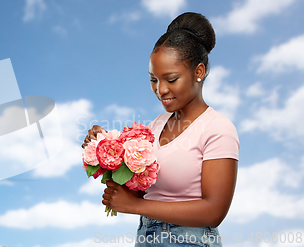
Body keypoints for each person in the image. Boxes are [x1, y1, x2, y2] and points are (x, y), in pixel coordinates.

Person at [83, 12, 239, 247]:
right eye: (153, 79)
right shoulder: (155, 126)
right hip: (147, 237)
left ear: (198, 72)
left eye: (171, 79)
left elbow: (214, 211)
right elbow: (142, 192)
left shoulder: (217, 128)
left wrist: (135, 206)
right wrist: (107, 153)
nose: (161, 89)